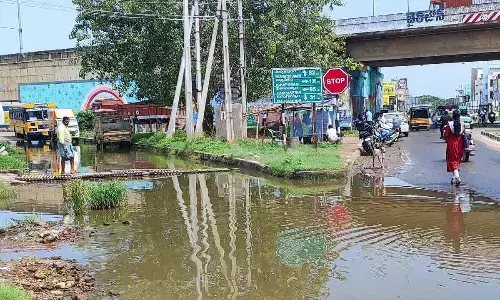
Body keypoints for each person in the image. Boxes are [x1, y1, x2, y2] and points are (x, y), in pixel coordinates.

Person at [444, 110, 465, 186]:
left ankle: (457, 177)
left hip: (452, 145)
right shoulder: (462, 124)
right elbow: (463, 134)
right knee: (457, 161)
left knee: (452, 161)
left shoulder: (449, 125)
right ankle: (453, 178)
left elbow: (446, 135)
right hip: (460, 145)